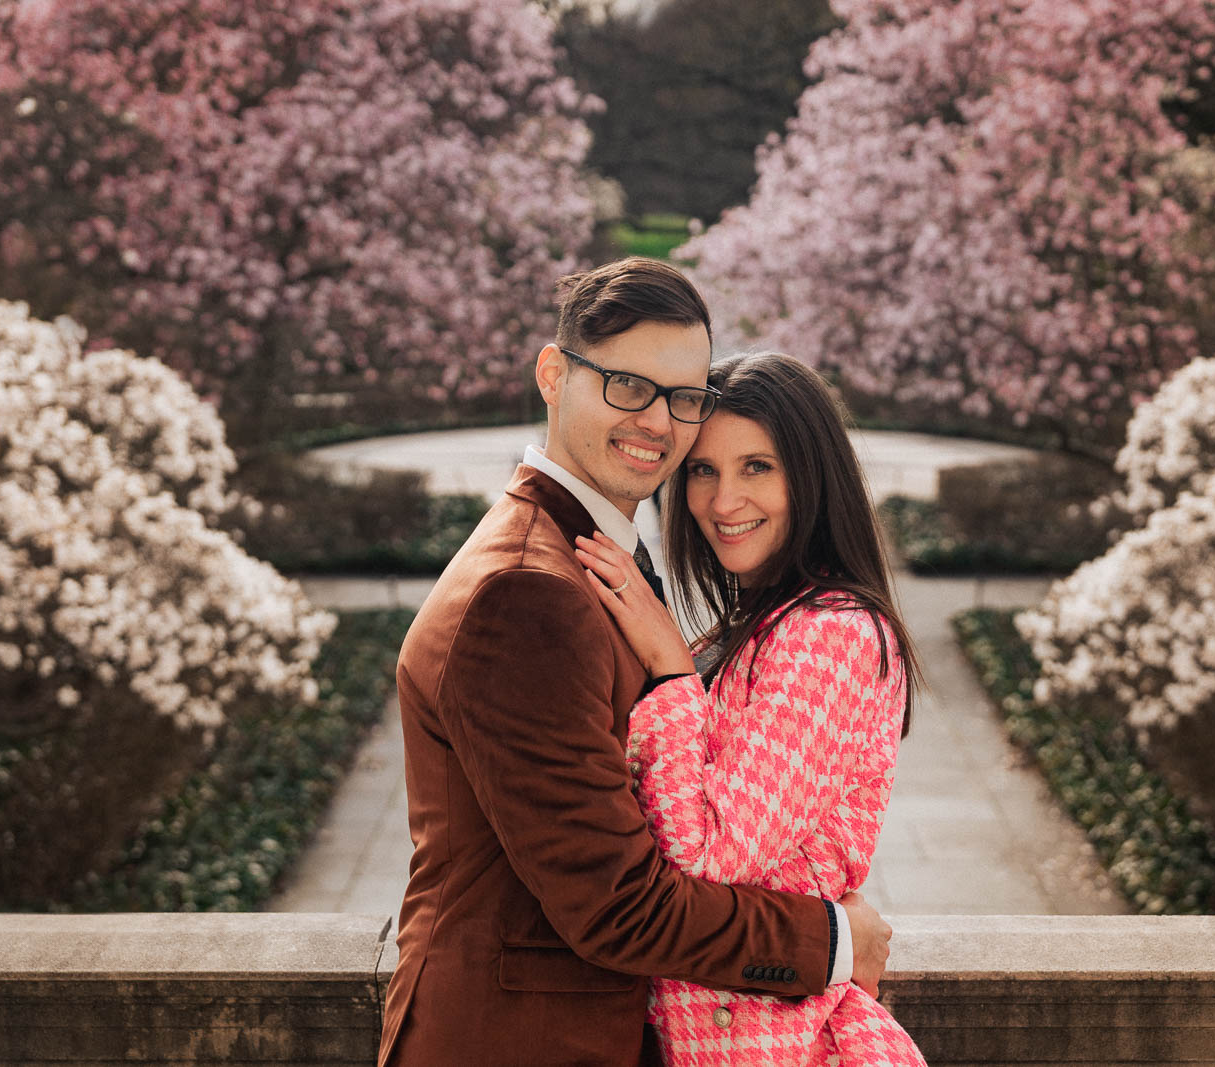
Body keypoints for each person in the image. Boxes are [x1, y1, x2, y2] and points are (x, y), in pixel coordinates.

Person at [377, 259, 893, 1067]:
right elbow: (621, 905)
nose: (658, 420)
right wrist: (831, 940)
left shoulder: (590, 558)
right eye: (626, 384)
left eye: (683, 397)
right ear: (554, 374)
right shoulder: (525, 591)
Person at [574, 351, 928, 1065]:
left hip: (775, 1041)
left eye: (756, 467)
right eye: (703, 470)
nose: (722, 500)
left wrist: (671, 671)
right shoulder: (754, 626)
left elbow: (708, 860)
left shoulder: (830, 633)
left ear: (811, 473)